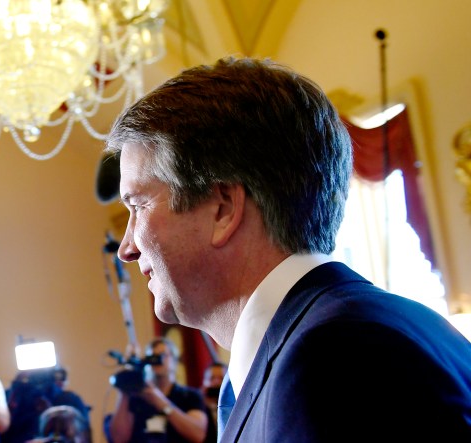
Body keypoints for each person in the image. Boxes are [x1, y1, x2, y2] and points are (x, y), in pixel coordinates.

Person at [105, 55, 471, 442]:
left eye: (139, 205)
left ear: (223, 208)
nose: (126, 249)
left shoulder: (332, 361)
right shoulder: (369, 328)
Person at [108, 337, 208, 443]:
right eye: (152, 356)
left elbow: (198, 435)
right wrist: (125, 390)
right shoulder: (137, 398)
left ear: (174, 361)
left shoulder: (190, 396)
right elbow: (118, 439)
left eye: (163, 355)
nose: (157, 360)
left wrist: (160, 402)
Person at [200, 363, 226, 442]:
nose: (216, 382)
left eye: (221, 378)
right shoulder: (198, 408)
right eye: (212, 378)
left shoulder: (237, 407)